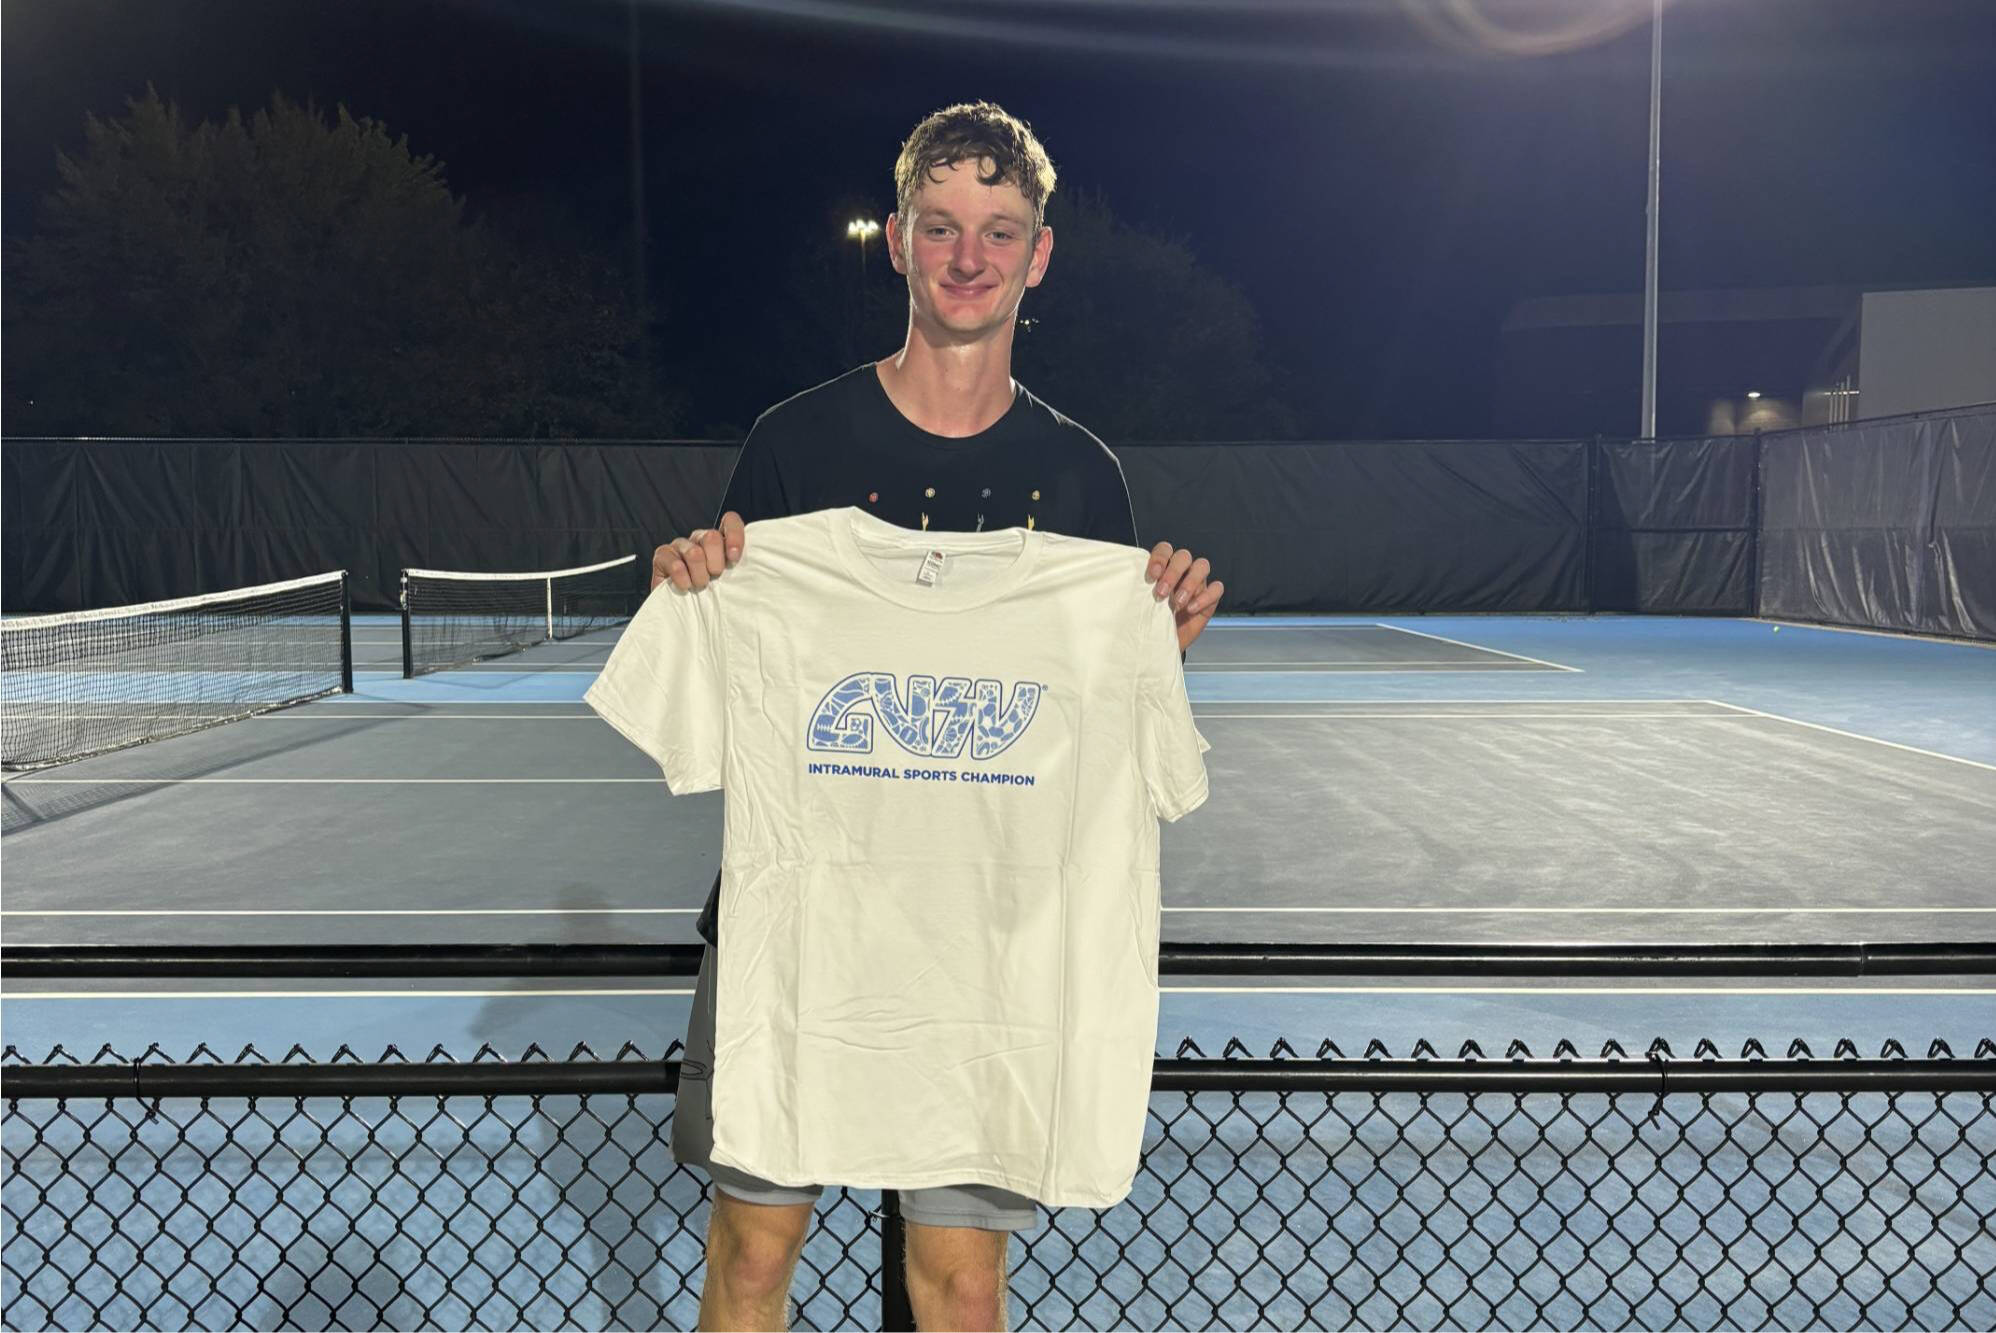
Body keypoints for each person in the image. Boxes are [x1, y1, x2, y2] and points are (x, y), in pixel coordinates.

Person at [650, 101, 1222, 1332]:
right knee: (752, 1256)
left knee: (962, 1286)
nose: (971, 257)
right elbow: (732, 690)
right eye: (944, 226)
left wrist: (1152, 653)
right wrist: (700, 592)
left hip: (987, 954)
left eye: (999, 231)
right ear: (899, 241)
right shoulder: (792, 444)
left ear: (1039, 256)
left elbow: (1104, 738)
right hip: (799, 940)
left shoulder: (1082, 481)